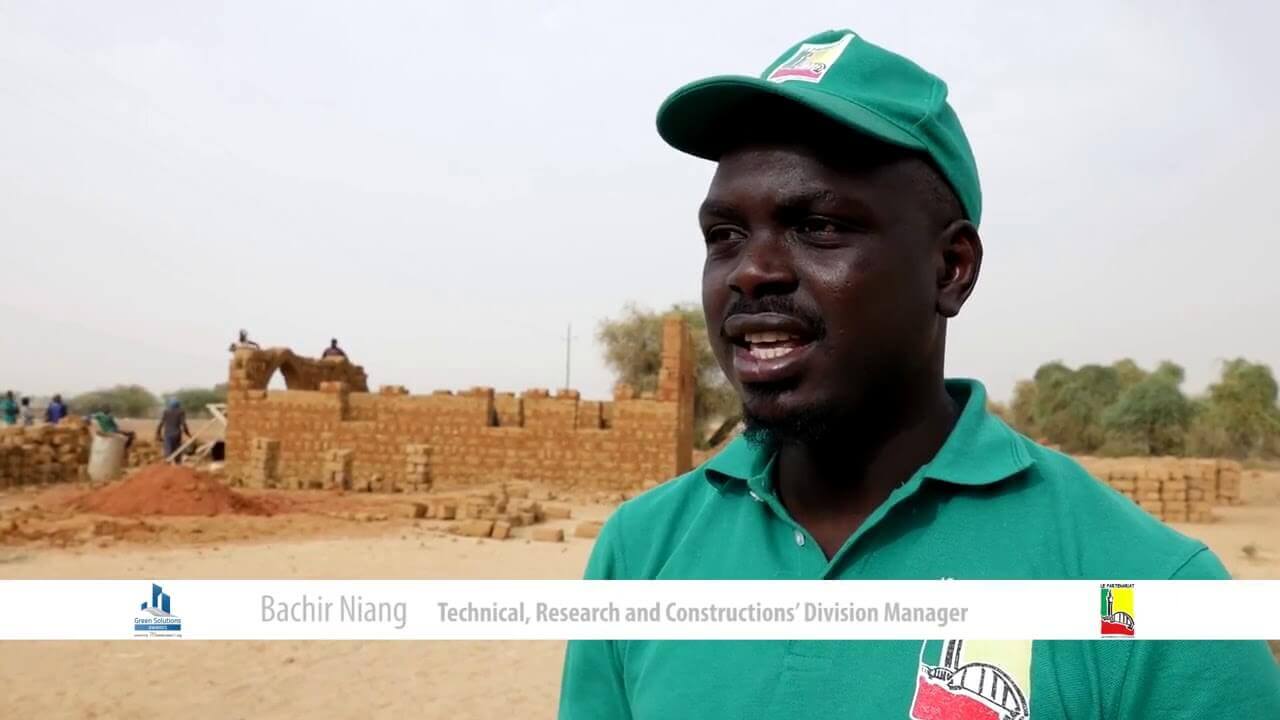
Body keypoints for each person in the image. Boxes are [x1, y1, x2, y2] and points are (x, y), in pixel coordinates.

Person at [558, 29, 1280, 719]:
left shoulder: (1148, 594)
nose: (753, 271)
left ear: (951, 269)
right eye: (725, 236)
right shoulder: (641, 551)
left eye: (820, 227)